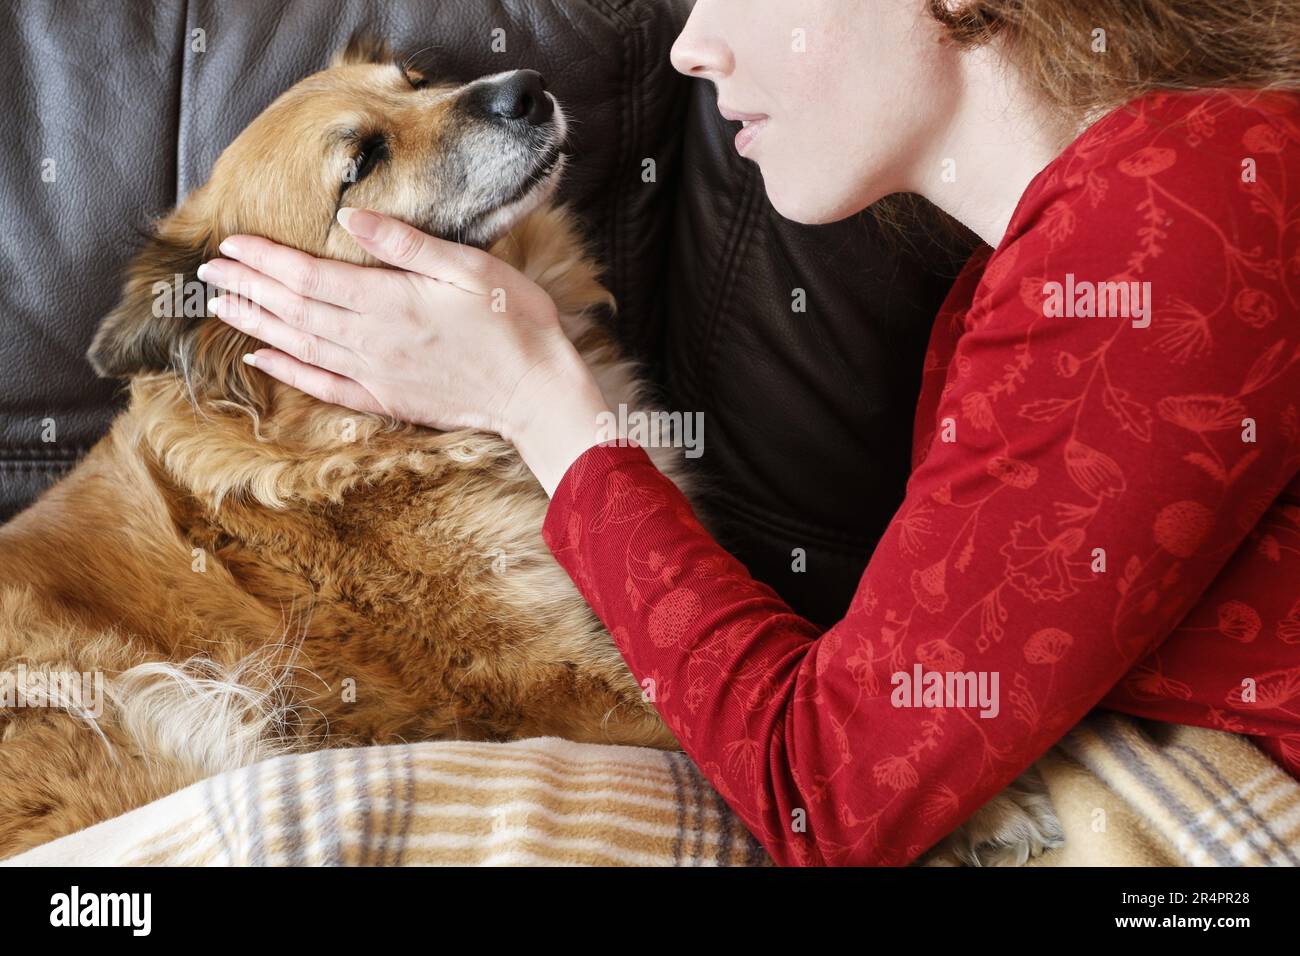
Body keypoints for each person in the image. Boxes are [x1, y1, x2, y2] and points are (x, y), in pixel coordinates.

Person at [199, 0, 1300, 865]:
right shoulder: (1050, 255)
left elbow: (826, 799)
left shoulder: (1163, 229)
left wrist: (537, 397)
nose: (690, 46)